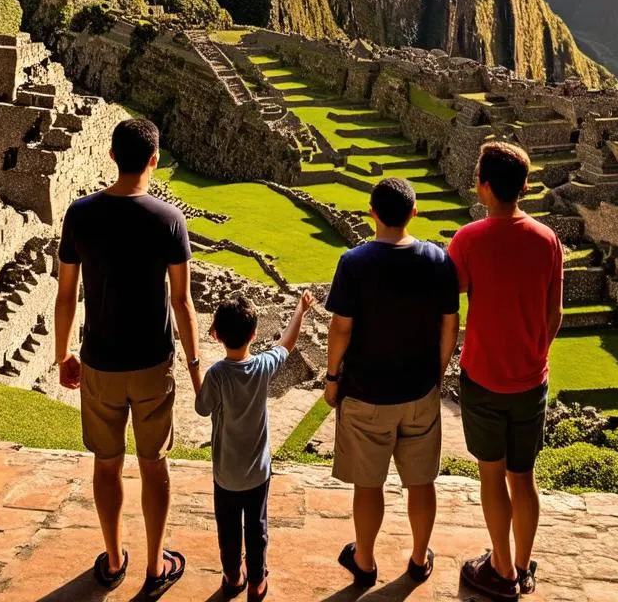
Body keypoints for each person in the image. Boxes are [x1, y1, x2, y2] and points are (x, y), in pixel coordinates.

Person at [54, 117, 202, 597]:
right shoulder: (168, 220)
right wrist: (196, 368)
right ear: (154, 159)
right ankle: (156, 565)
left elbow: (66, 294)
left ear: (112, 156)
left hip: (99, 361)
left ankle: (114, 558)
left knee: (106, 463)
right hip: (153, 362)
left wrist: (63, 356)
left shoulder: (81, 214)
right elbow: (182, 302)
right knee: (154, 463)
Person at [324, 177, 460, 589]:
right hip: (419, 389)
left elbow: (340, 330)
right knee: (421, 481)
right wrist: (435, 375)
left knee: (369, 484)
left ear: (372, 212)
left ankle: (364, 561)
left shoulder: (354, 262)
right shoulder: (438, 260)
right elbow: (450, 326)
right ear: (414, 212)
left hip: (366, 391)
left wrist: (332, 378)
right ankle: (419, 559)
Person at [449, 141, 564, 599]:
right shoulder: (546, 240)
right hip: (530, 379)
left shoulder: (469, 240)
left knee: (492, 475)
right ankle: (521, 563)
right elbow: (555, 314)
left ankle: (500, 569)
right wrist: (536, 351)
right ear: (525, 187)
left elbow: (448, 302)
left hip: (482, 376)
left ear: (483, 186)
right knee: (524, 476)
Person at [195, 290, 316, 601]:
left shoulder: (217, 375)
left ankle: (233, 576)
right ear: (253, 334)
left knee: (229, 530)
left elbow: (202, 407)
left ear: (216, 334)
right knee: (257, 529)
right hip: (258, 473)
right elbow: (286, 344)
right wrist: (300, 310)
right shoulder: (262, 367)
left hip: (226, 475)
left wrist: (196, 369)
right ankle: (257, 582)